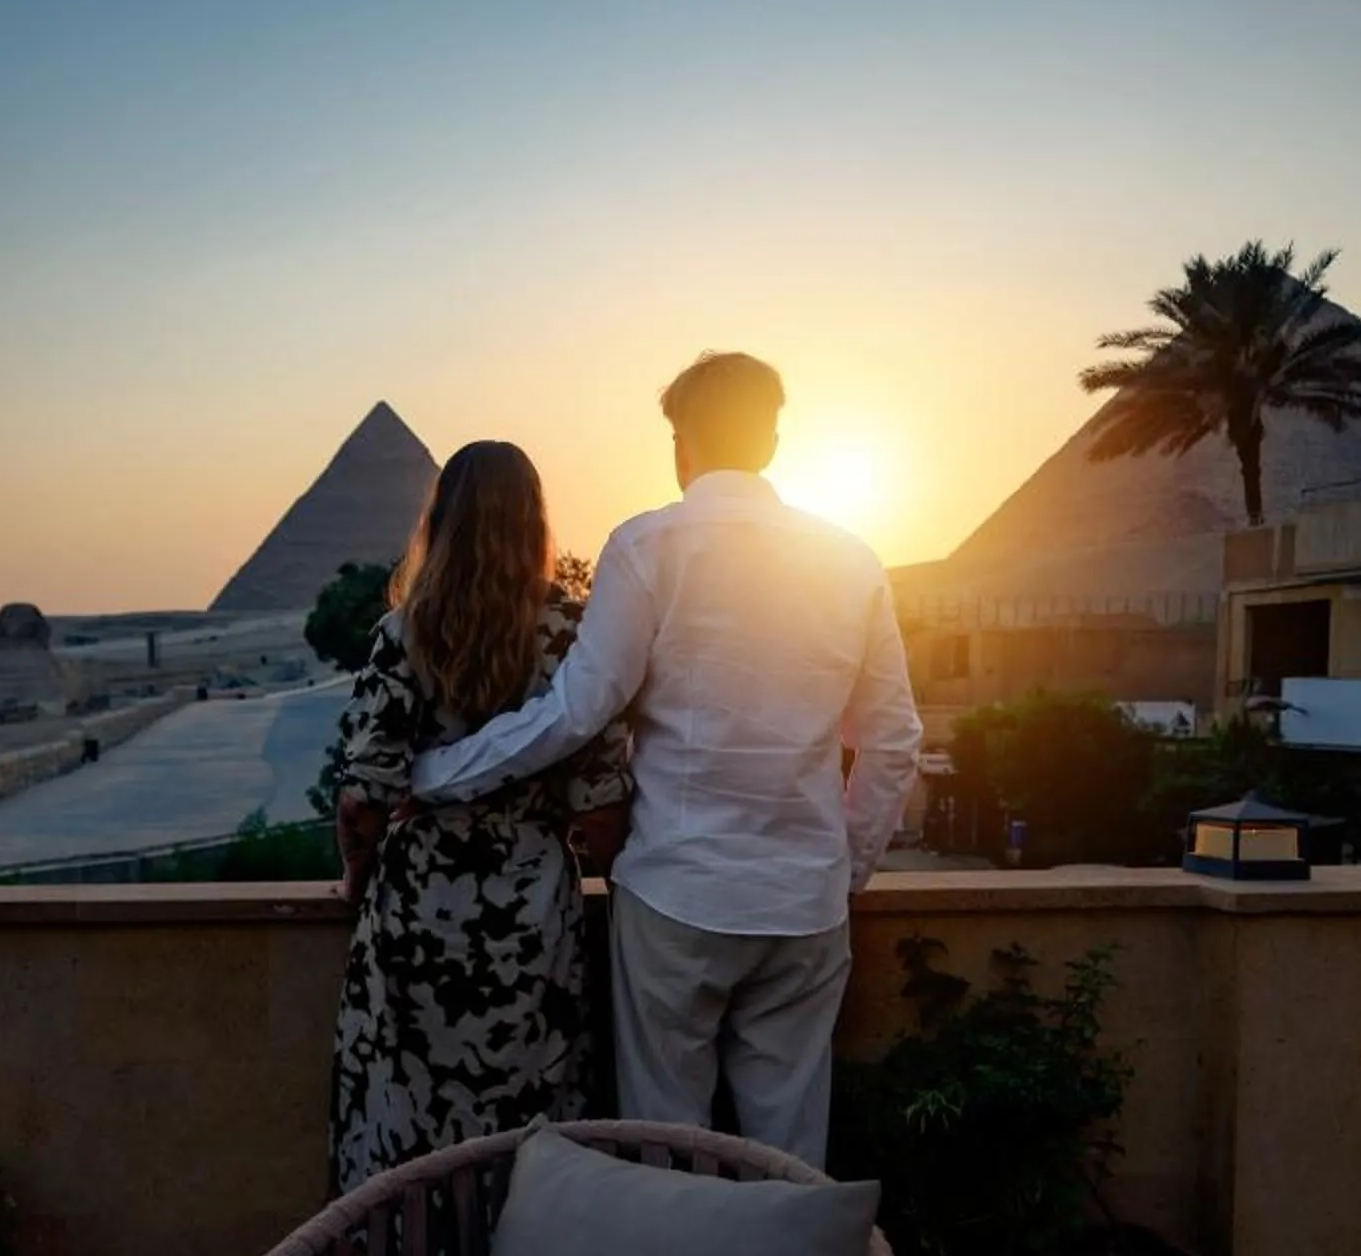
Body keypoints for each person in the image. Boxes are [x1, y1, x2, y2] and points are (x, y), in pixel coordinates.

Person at [410, 352, 923, 1166]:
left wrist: (434, 774)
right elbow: (894, 741)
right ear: (774, 437)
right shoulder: (851, 561)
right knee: (789, 1153)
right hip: (804, 907)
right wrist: (842, 868)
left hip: (676, 897)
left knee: (665, 1143)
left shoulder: (648, 546)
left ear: (681, 441)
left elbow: (578, 709)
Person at [326, 440, 632, 1195]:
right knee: (534, 1121)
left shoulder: (402, 635)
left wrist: (354, 876)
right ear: (534, 523)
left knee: (409, 1130)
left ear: (442, 519)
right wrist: (611, 880)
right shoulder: (571, 637)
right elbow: (602, 800)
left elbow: (361, 799)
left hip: (417, 911)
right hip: (533, 913)